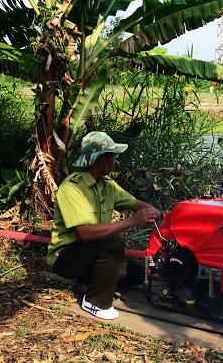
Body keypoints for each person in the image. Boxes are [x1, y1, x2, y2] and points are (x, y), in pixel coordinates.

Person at [46, 131, 162, 320]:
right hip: (67, 257)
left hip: (93, 252)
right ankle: (94, 301)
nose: (114, 161)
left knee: (142, 272)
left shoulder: (106, 184)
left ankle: (88, 280)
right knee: (113, 245)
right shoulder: (73, 187)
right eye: (112, 157)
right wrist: (132, 221)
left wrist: (152, 212)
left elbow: (134, 203)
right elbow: (85, 234)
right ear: (98, 159)